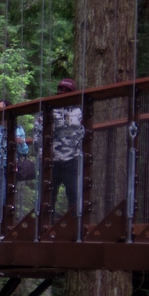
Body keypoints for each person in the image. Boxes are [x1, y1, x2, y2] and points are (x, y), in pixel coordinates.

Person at [44, 78, 84, 216]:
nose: (63, 92)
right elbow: (39, 133)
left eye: (67, 90)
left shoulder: (79, 111)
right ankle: (46, 225)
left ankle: (75, 225)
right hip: (52, 160)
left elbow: (83, 132)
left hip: (72, 159)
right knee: (49, 196)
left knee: (74, 195)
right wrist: (42, 155)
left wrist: (80, 151)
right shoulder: (49, 109)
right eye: (61, 89)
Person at [0, 99, 29, 221]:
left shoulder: (18, 129)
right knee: (1, 195)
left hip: (11, 165)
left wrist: (21, 143)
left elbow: (24, 151)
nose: (1, 112)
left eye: (3, 109)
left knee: (9, 196)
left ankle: (5, 225)